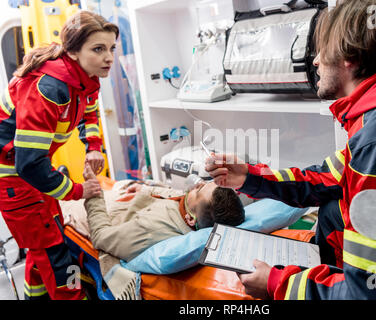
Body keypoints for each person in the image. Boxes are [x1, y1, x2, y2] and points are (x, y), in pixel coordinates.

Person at [205, 0, 376, 300]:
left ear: (349, 56)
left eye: (321, 49)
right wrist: (247, 177)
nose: (314, 61)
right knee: (331, 207)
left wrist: (278, 283)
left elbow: (370, 292)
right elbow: (326, 178)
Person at [0, 11, 119, 300]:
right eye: (98, 49)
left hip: (31, 172)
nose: (109, 58)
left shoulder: (85, 78)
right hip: (14, 179)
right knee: (59, 259)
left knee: (43, 249)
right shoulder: (48, 87)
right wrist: (77, 191)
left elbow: (89, 108)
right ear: (74, 52)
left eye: (112, 48)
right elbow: (28, 164)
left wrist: (92, 145)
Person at [82, 163, 245, 261]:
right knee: (122, 183)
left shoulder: (148, 231)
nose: (197, 183)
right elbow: (180, 196)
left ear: (190, 219)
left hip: (108, 211)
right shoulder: (191, 210)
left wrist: (94, 191)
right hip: (136, 197)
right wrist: (146, 189)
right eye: (205, 182)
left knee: (69, 202)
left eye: (199, 189)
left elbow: (101, 236)